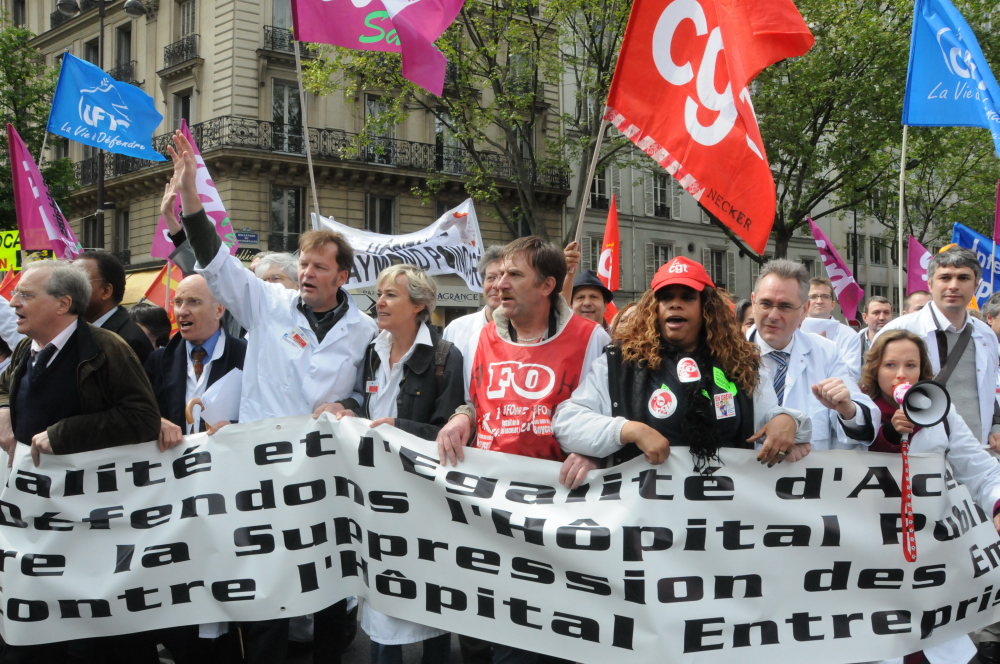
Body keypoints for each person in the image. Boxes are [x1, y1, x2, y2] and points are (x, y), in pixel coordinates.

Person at [170, 130, 377, 663]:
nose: (307, 273)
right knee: (267, 583)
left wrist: (347, 407)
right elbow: (216, 259)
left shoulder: (364, 330)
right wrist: (191, 195)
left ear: (343, 276)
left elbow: (367, 393)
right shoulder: (267, 302)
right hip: (261, 467)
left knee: (328, 579)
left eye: (319, 267)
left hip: (323, 472)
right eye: (303, 265)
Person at [435, 237, 610, 663]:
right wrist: (462, 417)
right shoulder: (481, 336)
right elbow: (475, 402)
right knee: (485, 620)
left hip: (557, 509)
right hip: (488, 505)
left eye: (515, 275)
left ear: (548, 285)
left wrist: (593, 455)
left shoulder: (592, 338)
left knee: (541, 631)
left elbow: (606, 412)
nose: (502, 285)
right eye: (500, 275)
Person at [0, 260, 161, 664]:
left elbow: (142, 418)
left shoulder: (106, 348)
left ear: (62, 304)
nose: (14, 302)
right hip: (36, 520)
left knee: (95, 634)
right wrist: (4, 408)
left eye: (26, 295)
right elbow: (5, 388)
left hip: (92, 522)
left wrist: (65, 433)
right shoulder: (26, 348)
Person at [552, 256, 812, 471]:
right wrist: (628, 430)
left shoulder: (741, 363)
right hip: (647, 518)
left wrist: (786, 421)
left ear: (706, 307)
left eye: (688, 297)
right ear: (654, 307)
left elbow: (768, 420)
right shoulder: (621, 362)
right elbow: (567, 423)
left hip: (722, 515)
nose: (675, 303)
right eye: (666, 297)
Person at [341, 265, 464, 664]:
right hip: (376, 495)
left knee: (432, 601)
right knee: (382, 593)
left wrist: (400, 428)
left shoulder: (446, 356)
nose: (379, 302)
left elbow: (450, 430)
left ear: (420, 305)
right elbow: (367, 405)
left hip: (424, 499)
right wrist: (343, 408)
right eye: (379, 293)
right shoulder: (373, 351)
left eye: (390, 295)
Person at [859, 329, 1000, 664]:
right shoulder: (857, 413)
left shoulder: (942, 413)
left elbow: (979, 468)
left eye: (911, 365)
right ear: (874, 369)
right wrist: (890, 434)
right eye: (890, 364)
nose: (901, 374)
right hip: (868, 553)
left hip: (929, 551)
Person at [876, 247, 1000, 450]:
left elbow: (988, 391)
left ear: (976, 284)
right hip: (918, 454)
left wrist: (996, 426)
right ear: (930, 283)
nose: (953, 286)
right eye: (945, 277)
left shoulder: (986, 335)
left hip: (975, 452)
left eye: (963, 278)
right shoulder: (898, 331)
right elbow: (870, 393)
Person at [749, 260, 879, 450]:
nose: (773, 315)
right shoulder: (726, 354)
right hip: (746, 476)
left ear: (804, 310)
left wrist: (848, 411)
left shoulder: (826, 353)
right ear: (753, 302)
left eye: (785, 306)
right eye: (766, 303)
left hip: (807, 477)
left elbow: (863, 424)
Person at [74, 250, 155, 364]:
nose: (69, 290)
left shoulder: (128, 341)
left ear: (106, 291)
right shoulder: (71, 332)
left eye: (79, 282)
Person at [443, 245, 503, 346]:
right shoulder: (456, 330)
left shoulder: (531, 333)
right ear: (482, 283)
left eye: (504, 277)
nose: (497, 285)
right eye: (491, 277)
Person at [804, 276, 863, 379]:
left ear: (833, 304)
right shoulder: (792, 331)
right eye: (813, 296)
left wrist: (826, 352)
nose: (819, 301)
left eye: (825, 296)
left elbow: (852, 376)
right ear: (805, 303)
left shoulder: (849, 335)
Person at [857, 295, 893, 367]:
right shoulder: (854, 343)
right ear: (865, 317)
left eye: (886, 313)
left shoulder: (902, 342)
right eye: (876, 313)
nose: (882, 317)